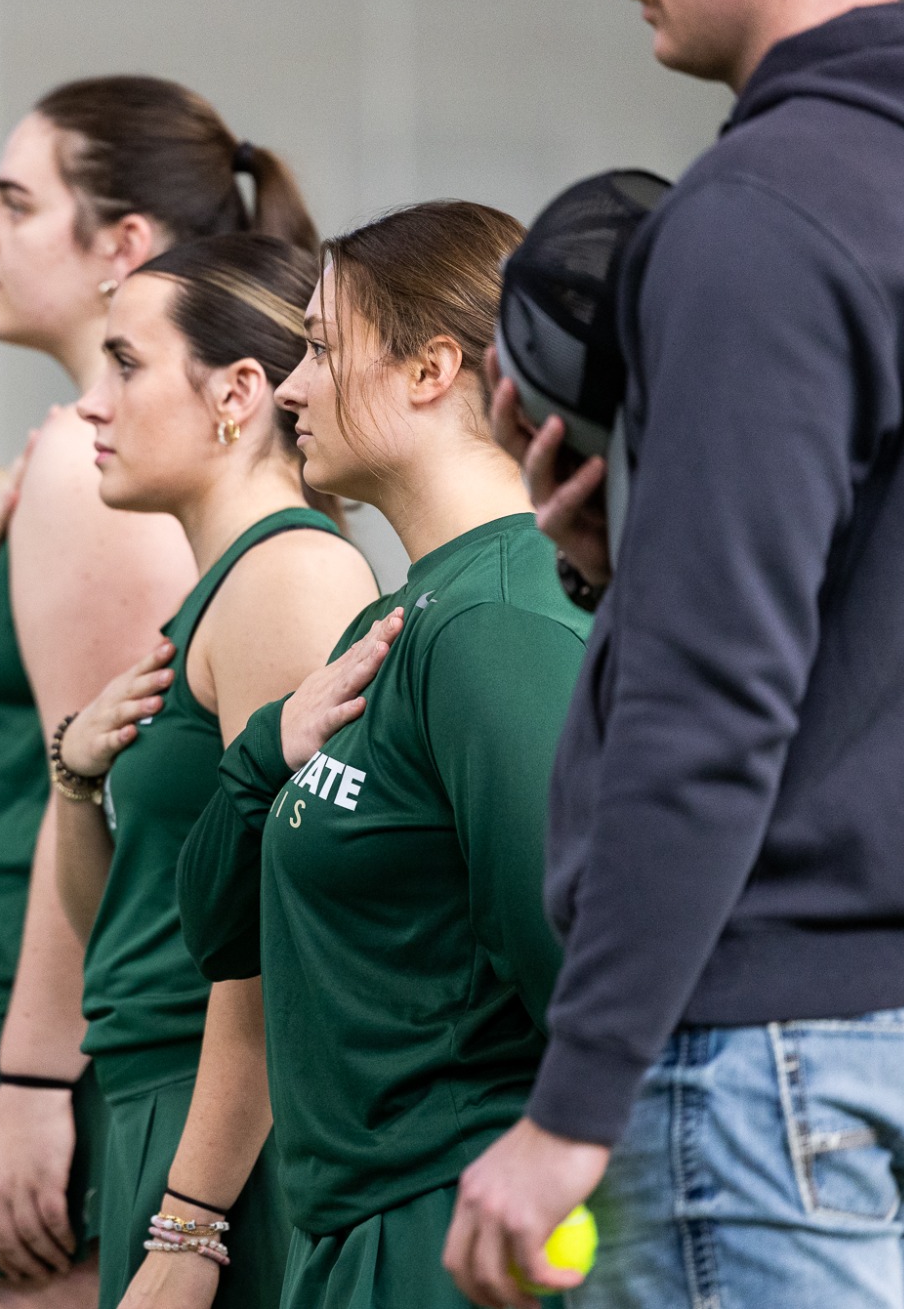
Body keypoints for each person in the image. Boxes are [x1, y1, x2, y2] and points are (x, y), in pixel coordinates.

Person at [445, 0, 904, 1307]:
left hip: (768, 1064)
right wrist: (632, 568)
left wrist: (572, 1101)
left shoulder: (758, 214)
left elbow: (709, 696)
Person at [0, 74, 308, 1307]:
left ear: (121, 242)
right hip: (45, 1005)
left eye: (15, 203)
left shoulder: (103, 474)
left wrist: (32, 1073)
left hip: (76, 1022)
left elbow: (129, 810)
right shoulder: (77, 457)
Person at [169, 202, 590, 1309]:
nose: (291, 387)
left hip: (456, 1227)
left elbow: (572, 965)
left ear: (429, 369)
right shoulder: (391, 623)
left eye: (316, 347)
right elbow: (219, 926)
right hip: (358, 1231)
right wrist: (266, 746)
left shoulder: (498, 616)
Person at [49, 233, 375, 1309]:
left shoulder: (287, 578)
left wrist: (190, 1223)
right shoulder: (213, 596)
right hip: (158, 1101)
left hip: (226, 1134)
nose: (90, 406)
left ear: (237, 390)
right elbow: (134, 926)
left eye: (125, 364)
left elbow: (277, 941)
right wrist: (76, 778)